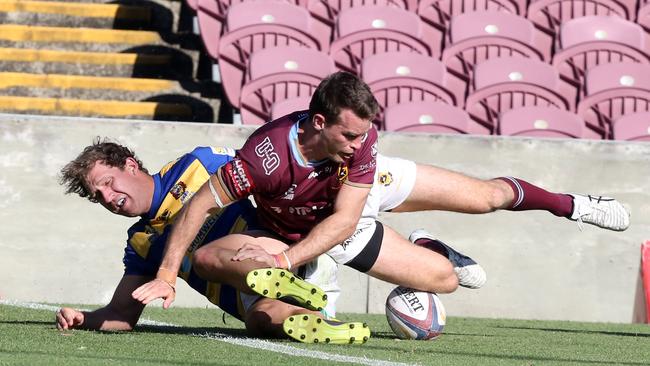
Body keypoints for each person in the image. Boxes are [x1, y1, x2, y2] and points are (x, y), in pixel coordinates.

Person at [132, 70, 630, 343]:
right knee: (447, 282)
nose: (357, 141)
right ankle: (405, 263)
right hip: (296, 227)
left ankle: (575, 205)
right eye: (348, 133)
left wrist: (288, 260)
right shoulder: (263, 157)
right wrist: (169, 273)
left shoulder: (361, 145)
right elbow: (199, 203)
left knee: (486, 197)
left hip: (349, 204)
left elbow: (347, 216)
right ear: (318, 122)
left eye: (363, 133)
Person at [55, 141, 368, 343]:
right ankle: (321, 319)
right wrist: (84, 319)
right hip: (257, 295)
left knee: (208, 257)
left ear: (131, 165)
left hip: (281, 249)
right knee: (260, 321)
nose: (108, 198)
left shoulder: (199, 163)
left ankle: (288, 276)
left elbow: (271, 172)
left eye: (108, 183)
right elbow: (122, 315)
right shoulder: (141, 241)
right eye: (98, 196)